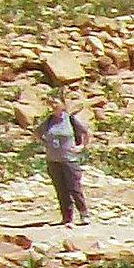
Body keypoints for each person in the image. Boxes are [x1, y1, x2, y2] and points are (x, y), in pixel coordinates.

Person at [38, 96, 89, 225]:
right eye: (51, 103)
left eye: (55, 102)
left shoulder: (70, 120)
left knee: (74, 188)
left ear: (62, 105)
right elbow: (37, 133)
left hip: (69, 160)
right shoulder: (49, 121)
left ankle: (84, 214)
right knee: (61, 189)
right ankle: (67, 217)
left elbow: (86, 133)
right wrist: (45, 143)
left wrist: (81, 147)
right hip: (53, 160)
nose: (53, 105)